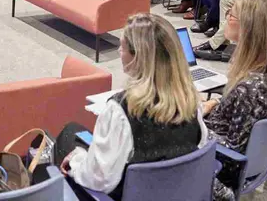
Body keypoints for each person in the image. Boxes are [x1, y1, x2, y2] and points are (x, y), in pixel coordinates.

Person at [58, 13, 207, 201]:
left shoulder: (120, 110)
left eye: (122, 46)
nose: (119, 52)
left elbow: (100, 180)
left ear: (138, 57)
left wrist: (76, 161)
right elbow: (198, 152)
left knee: (68, 136)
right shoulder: (192, 102)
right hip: (178, 194)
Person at [201, 0, 267, 200]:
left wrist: (191, 121)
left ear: (249, 29)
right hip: (241, 157)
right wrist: (214, 103)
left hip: (217, 172)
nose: (227, 16)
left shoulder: (250, 89)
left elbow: (232, 152)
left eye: (232, 14)